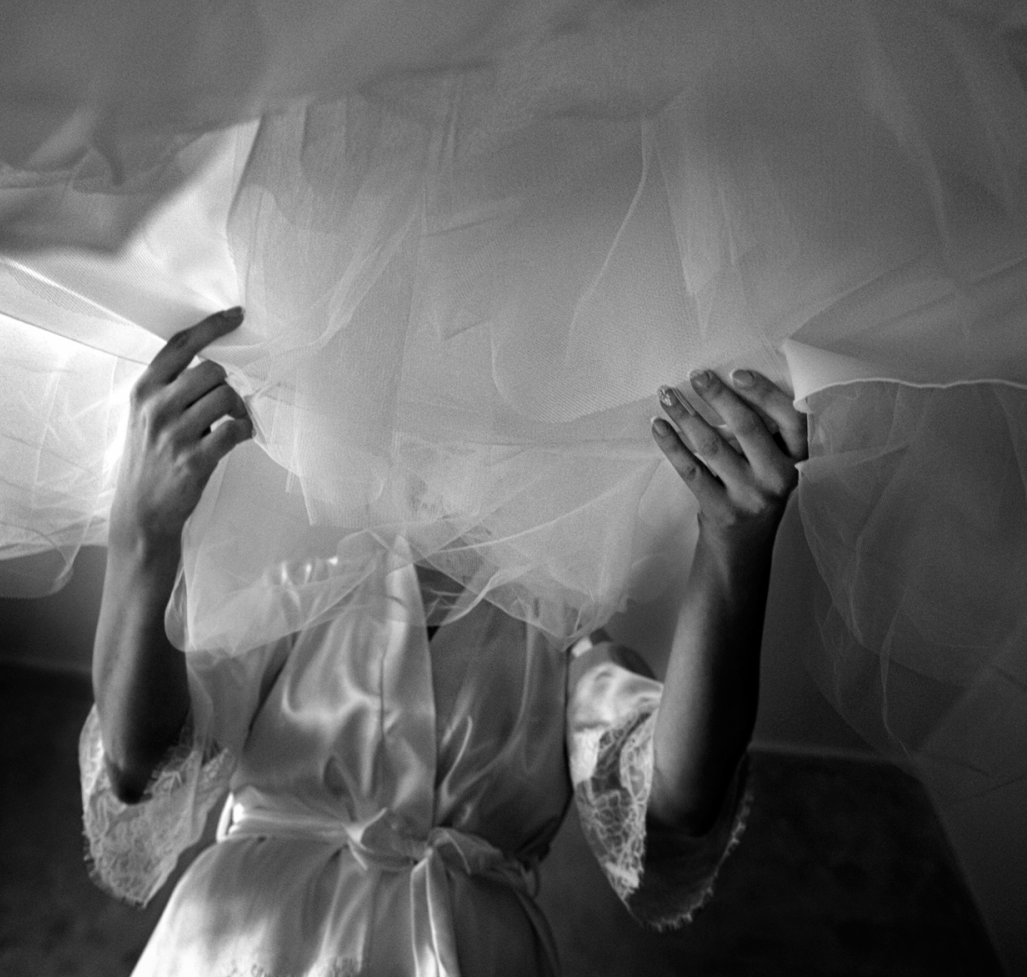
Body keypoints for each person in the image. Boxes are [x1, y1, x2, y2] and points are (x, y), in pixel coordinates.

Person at [81, 306, 809, 976]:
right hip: (247, 945)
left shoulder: (561, 640)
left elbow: (675, 797)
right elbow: (143, 766)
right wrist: (140, 538)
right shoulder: (294, 589)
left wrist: (733, 546)